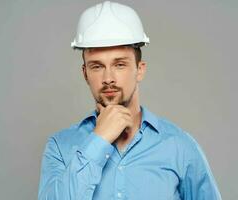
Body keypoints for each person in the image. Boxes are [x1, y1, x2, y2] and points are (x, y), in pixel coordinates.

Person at [38, 1, 222, 200]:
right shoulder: (60, 147)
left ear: (139, 70)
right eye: (97, 66)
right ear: (85, 74)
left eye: (119, 64)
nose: (108, 78)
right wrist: (99, 140)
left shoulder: (180, 146)